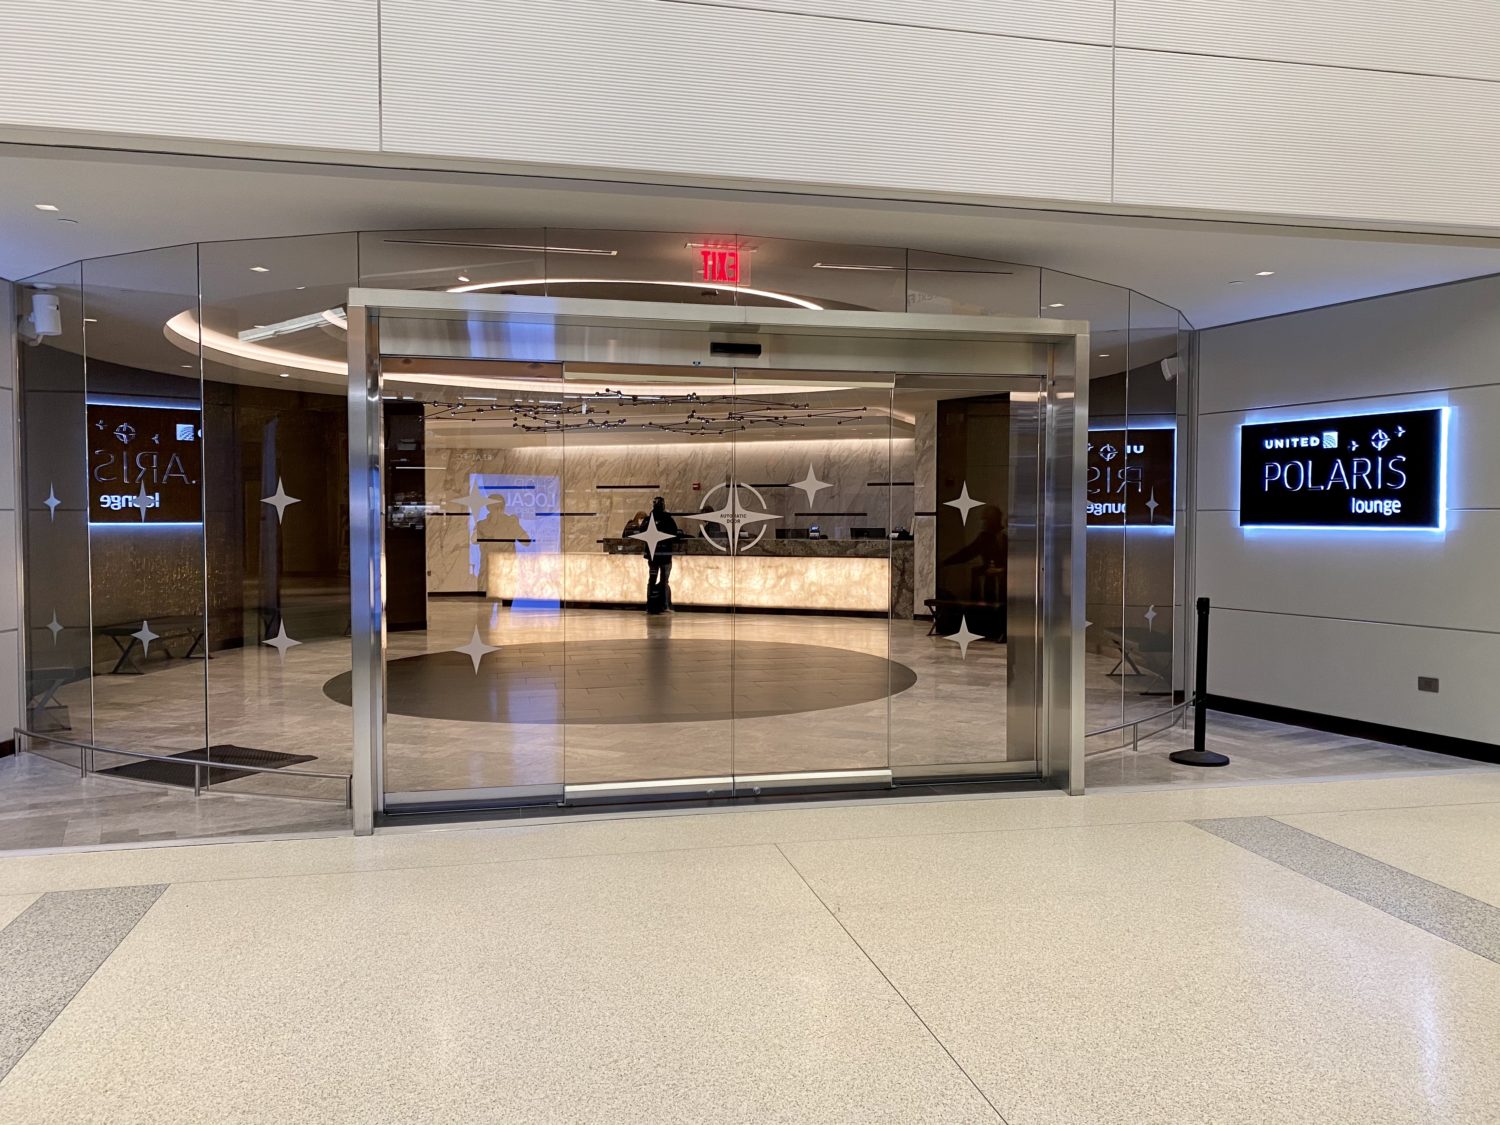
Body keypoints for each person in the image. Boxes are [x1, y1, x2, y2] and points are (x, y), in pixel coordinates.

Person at [644, 496, 679, 613]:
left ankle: (650, 605)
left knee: (652, 580)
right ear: (663, 505)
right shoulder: (668, 519)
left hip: (653, 556)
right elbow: (675, 534)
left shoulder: (648, 519)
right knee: (664, 581)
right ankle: (665, 606)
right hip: (665, 555)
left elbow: (641, 532)